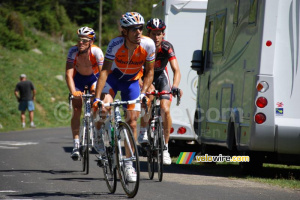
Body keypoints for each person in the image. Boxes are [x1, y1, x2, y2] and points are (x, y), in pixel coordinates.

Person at [93, 12, 156, 182]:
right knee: (104, 107)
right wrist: (97, 98)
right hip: (114, 78)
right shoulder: (115, 44)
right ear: (125, 32)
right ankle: (98, 131)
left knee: (133, 122)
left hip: (132, 82)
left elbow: (150, 72)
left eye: (140, 28)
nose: (138, 32)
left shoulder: (148, 45)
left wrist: (143, 93)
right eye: (134, 29)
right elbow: (105, 71)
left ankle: (128, 164)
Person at [139, 18, 182, 165]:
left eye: (159, 34)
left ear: (163, 34)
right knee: (148, 100)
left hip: (161, 76)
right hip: (144, 76)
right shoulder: (142, 46)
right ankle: (143, 131)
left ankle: (165, 148)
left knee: (165, 109)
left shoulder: (166, 47)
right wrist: (145, 86)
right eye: (153, 34)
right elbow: (136, 70)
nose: (156, 37)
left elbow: (176, 70)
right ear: (148, 34)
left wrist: (175, 87)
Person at [65, 26, 104, 161]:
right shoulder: (72, 51)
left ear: (91, 42)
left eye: (85, 41)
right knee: (76, 109)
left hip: (93, 78)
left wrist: (98, 92)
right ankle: (76, 144)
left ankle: (96, 130)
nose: (81, 43)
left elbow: (102, 74)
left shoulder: (97, 52)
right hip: (78, 79)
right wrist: (73, 92)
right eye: (79, 40)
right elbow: (68, 75)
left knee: (96, 103)